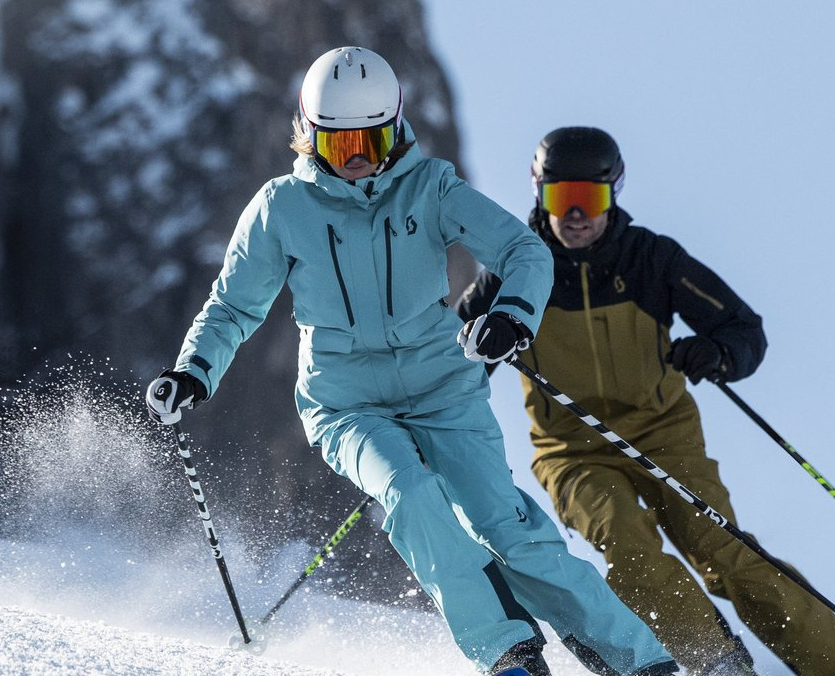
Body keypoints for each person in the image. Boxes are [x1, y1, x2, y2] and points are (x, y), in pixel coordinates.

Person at [143, 49, 683, 676]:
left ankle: (641, 662)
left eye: (371, 140)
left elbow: (524, 251)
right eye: (340, 143)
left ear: (395, 128)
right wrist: (193, 370)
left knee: (511, 532)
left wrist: (509, 316)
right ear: (309, 135)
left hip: (443, 390)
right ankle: (508, 651)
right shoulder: (281, 209)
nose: (358, 161)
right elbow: (233, 305)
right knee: (411, 494)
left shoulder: (430, 190)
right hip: (345, 404)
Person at [457, 127, 835, 676]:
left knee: (727, 552)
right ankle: (718, 664)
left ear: (615, 195)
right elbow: (455, 358)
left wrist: (717, 354)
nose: (577, 215)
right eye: (562, 198)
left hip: (663, 433)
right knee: (630, 550)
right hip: (573, 451)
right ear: (540, 194)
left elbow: (743, 329)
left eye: (592, 199)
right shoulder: (515, 271)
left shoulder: (651, 259)